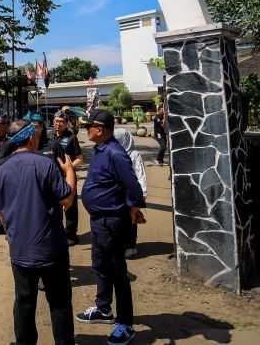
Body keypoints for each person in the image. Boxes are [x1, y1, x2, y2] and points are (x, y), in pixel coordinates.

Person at [0, 119, 77, 345]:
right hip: (51, 249)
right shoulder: (45, 165)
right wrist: (70, 172)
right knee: (59, 302)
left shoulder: (4, 169)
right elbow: (67, 200)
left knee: (24, 301)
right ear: (31, 137)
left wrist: (11, 236)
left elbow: (1, 212)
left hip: (20, 249)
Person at [76, 109, 145, 345]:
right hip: (100, 221)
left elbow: (133, 185)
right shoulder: (101, 149)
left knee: (117, 272)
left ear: (100, 129)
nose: (86, 130)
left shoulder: (116, 153)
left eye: (88, 127)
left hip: (112, 222)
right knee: (100, 265)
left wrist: (134, 207)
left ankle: (125, 324)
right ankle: (103, 309)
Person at [49, 111, 85, 246]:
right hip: (52, 177)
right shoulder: (49, 137)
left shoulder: (71, 138)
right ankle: (56, 232)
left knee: (70, 207)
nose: (58, 124)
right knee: (54, 205)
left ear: (66, 124)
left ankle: (71, 235)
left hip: (67, 177)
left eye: (61, 122)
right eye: (56, 121)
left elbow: (80, 159)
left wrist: (68, 168)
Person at [114, 129, 148, 259]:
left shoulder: (134, 154)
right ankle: (121, 245)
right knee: (118, 219)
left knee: (131, 219)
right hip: (116, 193)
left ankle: (131, 246)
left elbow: (141, 174)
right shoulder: (113, 153)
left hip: (131, 193)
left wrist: (142, 194)